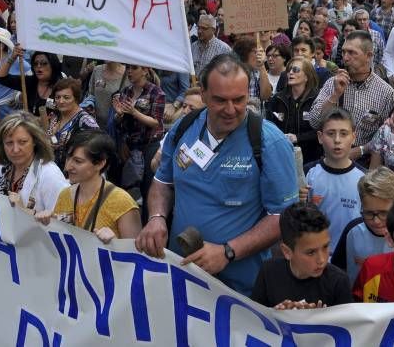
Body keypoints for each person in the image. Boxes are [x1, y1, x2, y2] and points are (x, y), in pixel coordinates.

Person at [135, 53, 298, 296]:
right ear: (203, 95)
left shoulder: (268, 142)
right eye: (221, 100)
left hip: (240, 289)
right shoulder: (184, 127)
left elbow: (282, 216)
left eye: (239, 99)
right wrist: (157, 217)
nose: (231, 110)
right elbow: (162, 182)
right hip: (182, 274)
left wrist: (227, 252)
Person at [36, 130, 142, 244]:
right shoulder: (65, 195)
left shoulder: (122, 202)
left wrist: (114, 244)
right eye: (68, 158)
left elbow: (136, 256)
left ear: (100, 163)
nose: (68, 167)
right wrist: (49, 224)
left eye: (78, 161)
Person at [251, 201, 353, 309]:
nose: (322, 259)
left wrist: (319, 321)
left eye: (325, 246)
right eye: (311, 252)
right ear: (287, 252)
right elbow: (255, 318)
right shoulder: (268, 272)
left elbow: (348, 325)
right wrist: (277, 314)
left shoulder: (338, 282)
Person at [307, 30, 394, 152]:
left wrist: (361, 150)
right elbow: (314, 122)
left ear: (368, 56)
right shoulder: (332, 83)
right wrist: (335, 95)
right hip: (331, 155)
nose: (346, 58)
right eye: (343, 52)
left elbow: (385, 135)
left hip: (363, 160)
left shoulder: (386, 92)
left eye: (352, 53)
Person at [300, 108, 366, 255]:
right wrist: (297, 202)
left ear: (353, 137)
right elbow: (295, 218)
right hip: (315, 256)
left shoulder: (363, 179)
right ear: (320, 137)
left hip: (351, 257)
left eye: (344, 133)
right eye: (331, 133)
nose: (337, 140)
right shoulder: (308, 173)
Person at [0, 112, 68, 212]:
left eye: (22, 142)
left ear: (35, 141)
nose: (15, 149)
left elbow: (62, 223)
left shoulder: (50, 175)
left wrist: (23, 211)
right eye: (9, 143)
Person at [331, 167, 394, 284]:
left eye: (383, 213)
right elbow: (337, 270)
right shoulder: (352, 231)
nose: (376, 221)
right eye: (368, 213)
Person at [109, 64, 165, 203]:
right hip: (129, 145)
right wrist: (119, 115)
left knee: (147, 188)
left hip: (148, 145)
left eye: (134, 68)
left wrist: (134, 112)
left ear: (145, 70)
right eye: (127, 68)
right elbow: (118, 123)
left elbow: (156, 122)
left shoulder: (156, 92)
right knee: (126, 188)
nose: (129, 71)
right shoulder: (126, 91)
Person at [266, 56, 321, 162]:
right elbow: (268, 127)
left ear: (307, 76)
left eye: (295, 70)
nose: (290, 72)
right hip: (281, 155)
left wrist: (297, 138)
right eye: (289, 70)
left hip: (310, 158)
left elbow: (322, 131)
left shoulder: (317, 99)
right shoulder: (277, 98)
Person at [47, 78, 100, 171]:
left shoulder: (86, 121)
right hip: (54, 171)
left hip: (75, 175)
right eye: (57, 97)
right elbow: (54, 141)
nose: (61, 101)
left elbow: (97, 150)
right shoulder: (56, 116)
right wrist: (52, 141)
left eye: (66, 97)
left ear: (76, 98)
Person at [0, 45, 64, 117]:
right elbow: (0, 77)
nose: (38, 66)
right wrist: (13, 57)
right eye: (35, 63)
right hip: (31, 126)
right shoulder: (29, 82)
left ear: (53, 65)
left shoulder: (61, 86)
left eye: (44, 63)